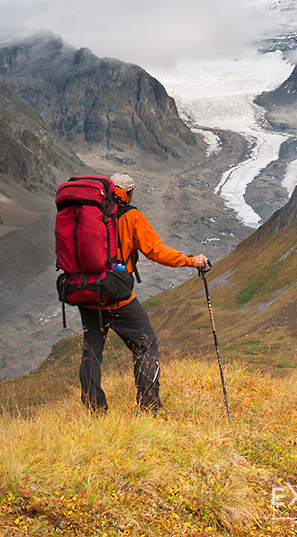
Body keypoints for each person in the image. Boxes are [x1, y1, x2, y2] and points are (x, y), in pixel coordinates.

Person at [78, 172, 208, 414]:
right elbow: (157, 251)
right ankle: (149, 407)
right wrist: (192, 261)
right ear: (129, 193)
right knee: (146, 344)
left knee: (92, 351)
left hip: (86, 294)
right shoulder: (131, 216)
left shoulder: (86, 211)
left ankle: (95, 411)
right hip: (117, 297)